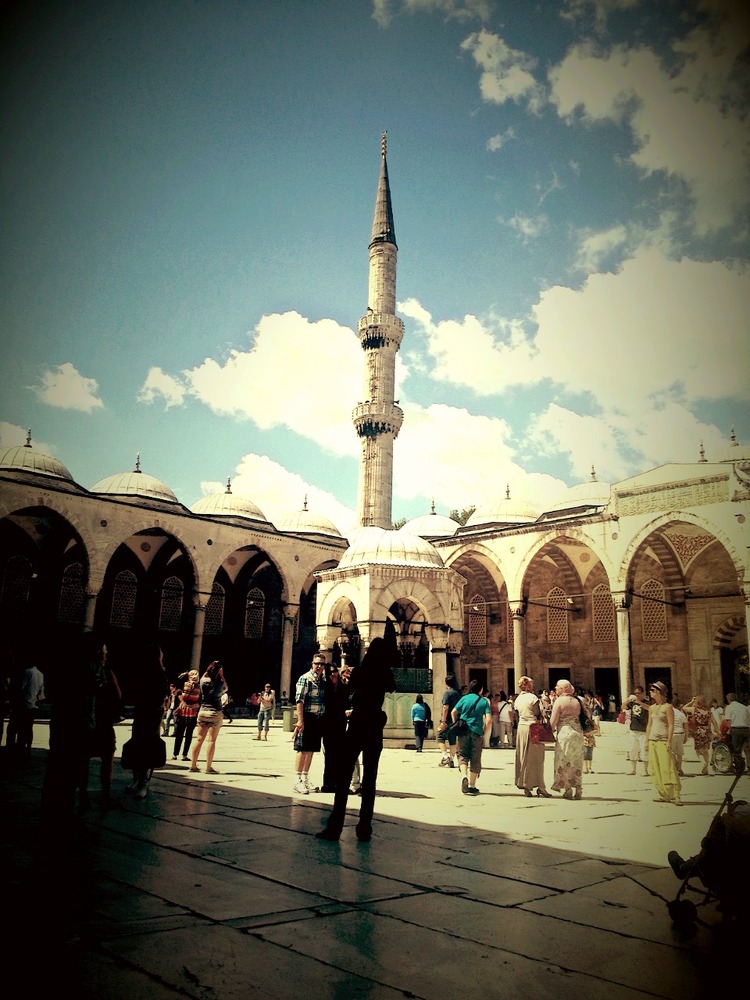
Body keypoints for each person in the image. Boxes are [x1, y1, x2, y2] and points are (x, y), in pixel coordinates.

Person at [316, 636, 396, 842]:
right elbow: (391, 687)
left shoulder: (361, 671)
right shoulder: (385, 673)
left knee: (343, 777)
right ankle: (364, 828)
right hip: (375, 727)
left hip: (358, 724)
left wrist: (345, 677)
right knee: (370, 779)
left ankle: (335, 828)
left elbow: (348, 692)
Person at [127, 641, 169, 798]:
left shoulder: (159, 675)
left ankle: (142, 782)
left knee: (144, 748)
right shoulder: (150, 674)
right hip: (145, 716)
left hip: (149, 717)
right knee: (140, 747)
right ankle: (138, 781)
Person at [293, 654, 327, 794]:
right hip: (307, 717)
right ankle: (297, 780)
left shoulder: (322, 680)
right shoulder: (305, 678)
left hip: (317, 718)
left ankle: (305, 778)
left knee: (311, 749)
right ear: (312, 664)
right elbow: (299, 701)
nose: (319, 666)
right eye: (317, 663)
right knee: (302, 748)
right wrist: (300, 721)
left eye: (322, 664)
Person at [451, 679, 491, 795]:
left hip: (463, 731)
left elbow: (453, 712)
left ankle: (464, 776)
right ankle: (472, 785)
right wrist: (483, 731)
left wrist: (456, 724)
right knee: (475, 757)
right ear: (481, 689)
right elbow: (488, 721)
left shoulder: (464, 698)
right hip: (476, 732)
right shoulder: (484, 702)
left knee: (462, 754)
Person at [514, 676, 551, 797]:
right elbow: (537, 713)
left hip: (521, 728)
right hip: (533, 728)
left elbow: (516, 714)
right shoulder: (533, 698)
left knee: (523, 757)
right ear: (528, 685)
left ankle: (525, 784)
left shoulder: (518, 699)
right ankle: (540, 786)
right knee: (537, 758)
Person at [645, 680, 681, 805]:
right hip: (652, 740)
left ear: (660, 692)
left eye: (653, 691)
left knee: (668, 767)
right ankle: (664, 794)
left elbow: (671, 725)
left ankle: (676, 795)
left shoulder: (668, 707)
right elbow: (649, 725)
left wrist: (669, 740)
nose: (650, 692)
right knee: (655, 768)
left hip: (663, 740)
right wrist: (646, 740)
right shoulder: (651, 708)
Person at [189, 660, 227, 775]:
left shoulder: (203, 681)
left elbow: (205, 675)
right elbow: (226, 688)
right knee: (211, 740)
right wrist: (221, 674)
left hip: (202, 712)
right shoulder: (219, 683)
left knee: (199, 739)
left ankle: (193, 765)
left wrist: (209, 669)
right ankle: (208, 767)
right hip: (215, 712)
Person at [550, 679, 586, 799]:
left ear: (562, 688)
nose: (555, 689)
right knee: (576, 762)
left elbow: (553, 721)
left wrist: (549, 732)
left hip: (565, 734)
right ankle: (579, 788)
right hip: (577, 733)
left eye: (557, 687)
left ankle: (567, 788)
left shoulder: (559, 701)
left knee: (564, 761)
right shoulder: (577, 701)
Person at [6, 661, 45, 758]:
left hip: (22, 705)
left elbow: (20, 688)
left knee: (13, 729)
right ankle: (27, 749)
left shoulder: (26, 672)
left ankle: (12, 750)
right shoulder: (40, 674)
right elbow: (42, 694)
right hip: (32, 706)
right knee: (28, 729)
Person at [321, 664, 349, 791]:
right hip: (328, 724)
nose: (333, 674)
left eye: (334, 671)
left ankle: (338, 782)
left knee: (339, 754)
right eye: (330, 672)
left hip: (340, 723)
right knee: (329, 755)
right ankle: (328, 783)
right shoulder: (325, 686)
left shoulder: (343, 687)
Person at [682, 693, 717, 775]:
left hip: (698, 731)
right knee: (705, 749)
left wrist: (691, 701)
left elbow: (684, 708)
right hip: (707, 731)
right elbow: (714, 722)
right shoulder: (709, 712)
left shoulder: (694, 710)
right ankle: (706, 766)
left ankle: (703, 762)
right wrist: (717, 732)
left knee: (698, 749)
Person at [172, 669, 200, 761]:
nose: (195, 676)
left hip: (191, 712)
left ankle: (182, 754)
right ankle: (177, 754)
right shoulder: (185, 685)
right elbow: (175, 688)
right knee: (181, 734)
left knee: (187, 735)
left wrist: (197, 704)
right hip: (184, 712)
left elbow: (201, 698)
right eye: (193, 674)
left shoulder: (199, 687)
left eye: (196, 674)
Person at [436, 673, 461, 767]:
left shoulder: (448, 693)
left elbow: (445, 707)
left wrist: (443, 721)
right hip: (455, 719)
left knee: (440, 736)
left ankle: (445, 757)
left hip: (447, 719)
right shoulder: (458, 693)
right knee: (452, 739)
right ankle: (451, 759)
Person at [626, 685, 650, 775]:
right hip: (633, 729)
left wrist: (639, 702)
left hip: (643, 730)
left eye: (638, 693)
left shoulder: (648, 702)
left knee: (644, 750)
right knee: (632, 749)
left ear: (642, 693)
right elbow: (623, 706)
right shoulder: (632, 703)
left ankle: (645, 770)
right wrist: (628, 700)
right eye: (635, 693)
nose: (637, 695)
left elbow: (649, 708)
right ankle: (633, 769)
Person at [724, 692, 750, 774]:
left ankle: (739, 768)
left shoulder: (729, 707)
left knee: (737, 750)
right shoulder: (744, 707)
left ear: (729, 700)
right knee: (747, 750)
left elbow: (728, 720)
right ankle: (749, 768)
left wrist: (728, 731)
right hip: (746, 729)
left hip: (736, 729)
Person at [671, 695, 688, 776]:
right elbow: (686, 726)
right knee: (679, 753)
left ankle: (676, 766)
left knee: (671, 752)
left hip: (672, 734)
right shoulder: (681, 714)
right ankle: (680, 768)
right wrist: (686, 736)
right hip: (680, 734)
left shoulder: (670, 712)